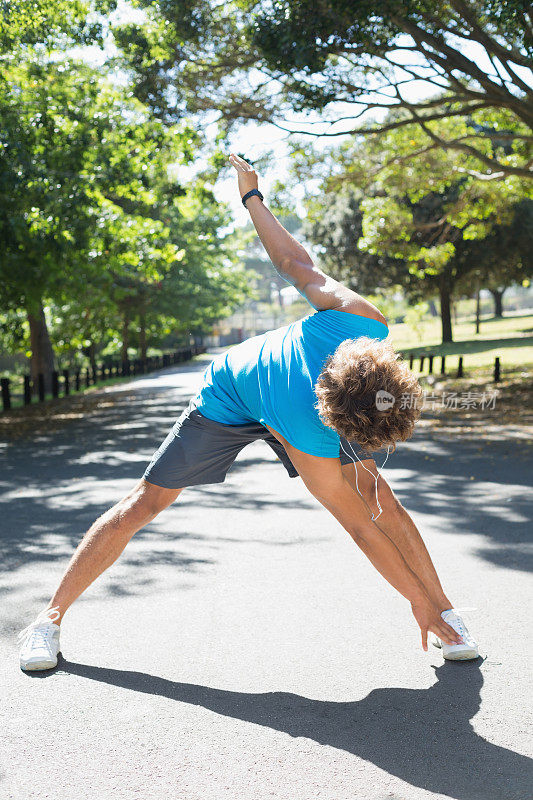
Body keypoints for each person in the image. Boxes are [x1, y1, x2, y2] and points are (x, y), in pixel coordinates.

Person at [18, 153, 478, 671]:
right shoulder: (308, 426)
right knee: (146, 503)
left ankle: (445, 614)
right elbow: (358, 529)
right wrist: (408, 600)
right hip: (232, 395)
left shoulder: (363, 321)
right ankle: (47, 621)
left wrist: (252, 195)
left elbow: (293, 262)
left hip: (311, 400)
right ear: (330, 419)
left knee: (379, 496)